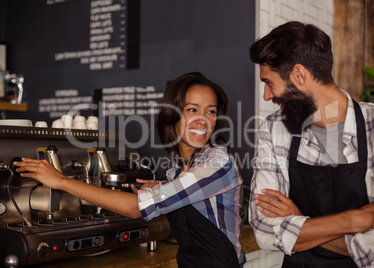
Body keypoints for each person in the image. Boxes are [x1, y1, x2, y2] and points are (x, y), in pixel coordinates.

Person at [15, 72, 246, 267]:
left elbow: (135, 209)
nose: (203, 120)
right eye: (192, 110)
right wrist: (162, 189)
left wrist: (61, 180)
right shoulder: (178, 169)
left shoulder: (218, 162)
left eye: (211, 112)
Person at [248, 21, 374, 267]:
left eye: (269, 82)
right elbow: (266, 232)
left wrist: (299, 221)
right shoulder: (273, 128)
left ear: (299, 75)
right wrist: (354, 220)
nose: (267, 96)